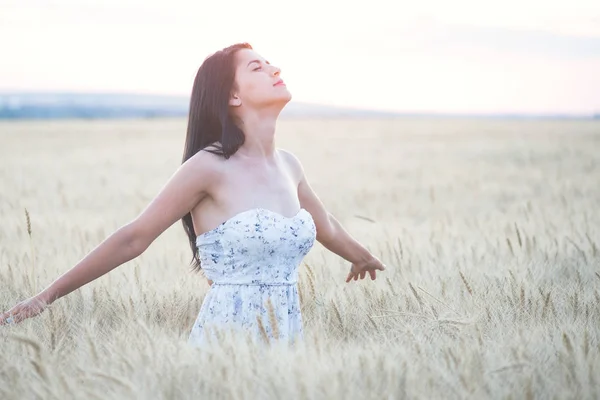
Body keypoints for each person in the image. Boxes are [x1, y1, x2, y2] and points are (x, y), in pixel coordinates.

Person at [0, 43, 386, 346]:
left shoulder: (290, 166)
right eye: (257, 67)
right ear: (232, 97)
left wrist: (362, 257)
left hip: (285, 336)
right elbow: (135, 237)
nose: (275, 69)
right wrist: (45, 297)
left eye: (270, 62)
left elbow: (326, 227)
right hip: (227, 342)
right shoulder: (208, 167)